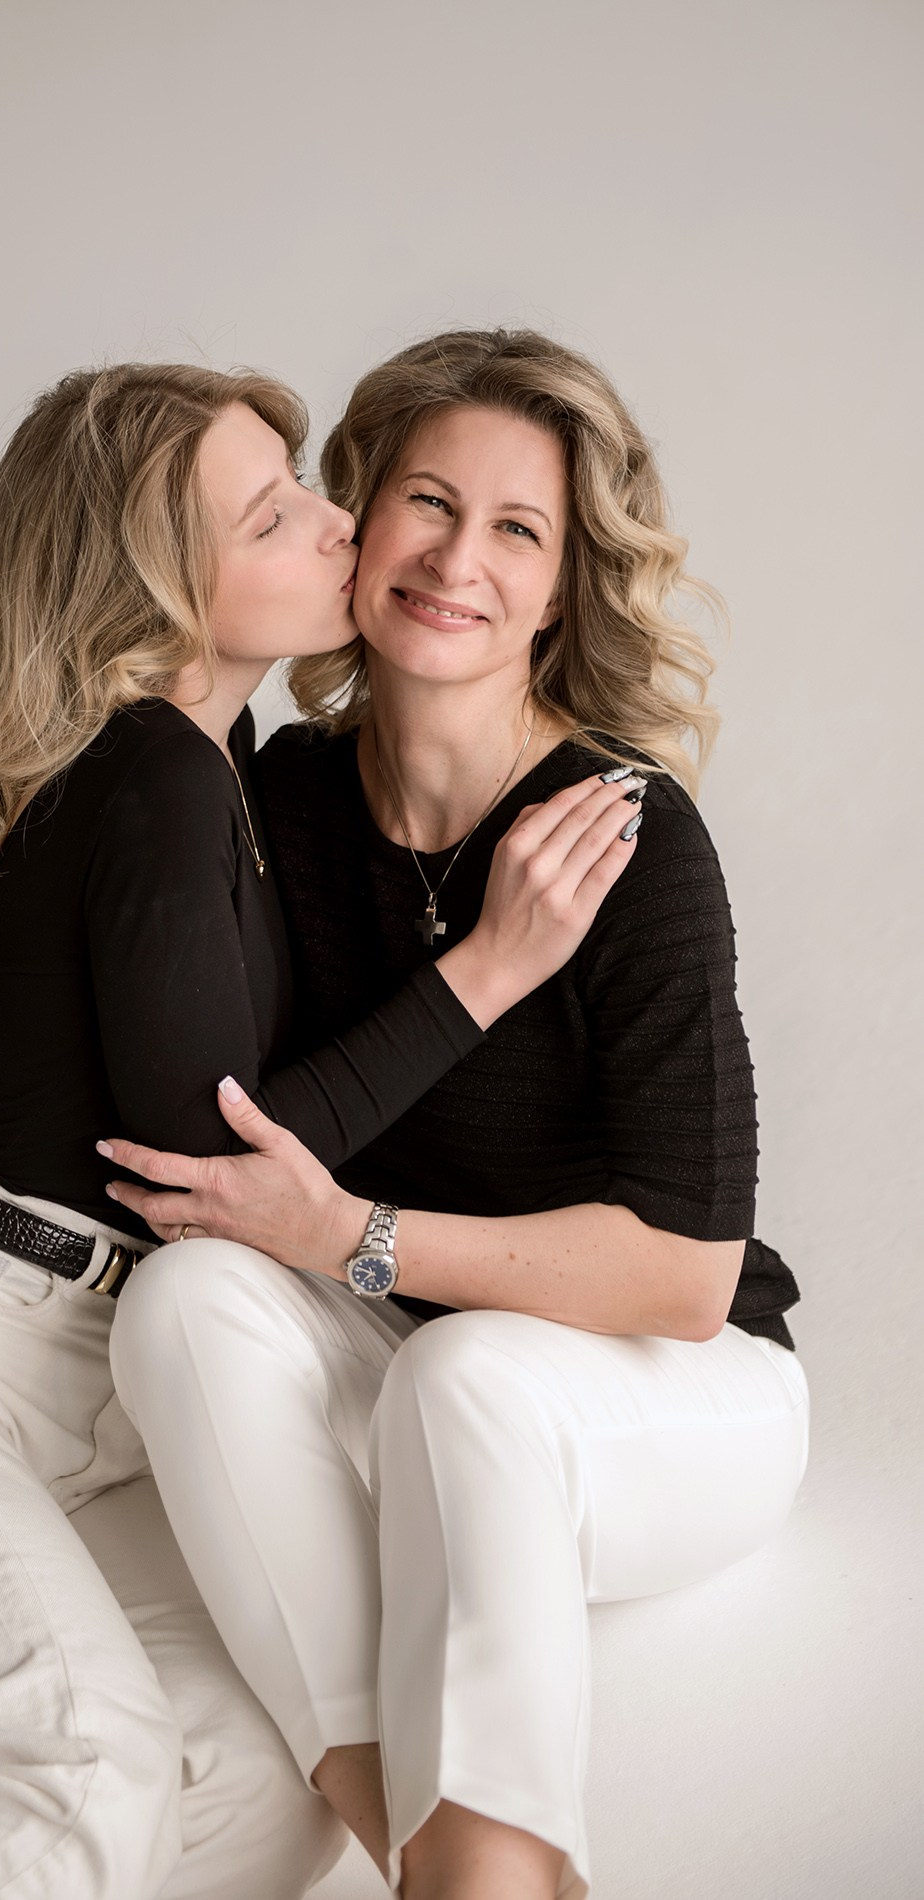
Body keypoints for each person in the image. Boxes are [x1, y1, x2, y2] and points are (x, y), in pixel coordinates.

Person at [0, 357, 639, 1900]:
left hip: (109, 1395)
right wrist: (490, 971)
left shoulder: (233, 769)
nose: (338, 523)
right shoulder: (157, 767)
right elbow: (216, 1171)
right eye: (273, 516)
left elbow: (179, 1055)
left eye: (306, 487)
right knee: (78, 1785)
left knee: (245, 1796)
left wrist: (26, 1081)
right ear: (164, 583)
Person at [92, 330, 808, 1900]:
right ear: (358, 518)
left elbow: (690, 1275)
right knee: (188, 1299)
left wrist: (355, 1236)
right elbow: (209, 1093)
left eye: (516, 529)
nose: (455, 560)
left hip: (672, 1391)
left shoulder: (625, 838)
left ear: (559, 590)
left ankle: (492, 1871)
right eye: (427, 501)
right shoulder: (282, 795)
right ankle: (425, 1858)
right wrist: (11, 1084)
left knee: (468, 1377)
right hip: (405, 1351)